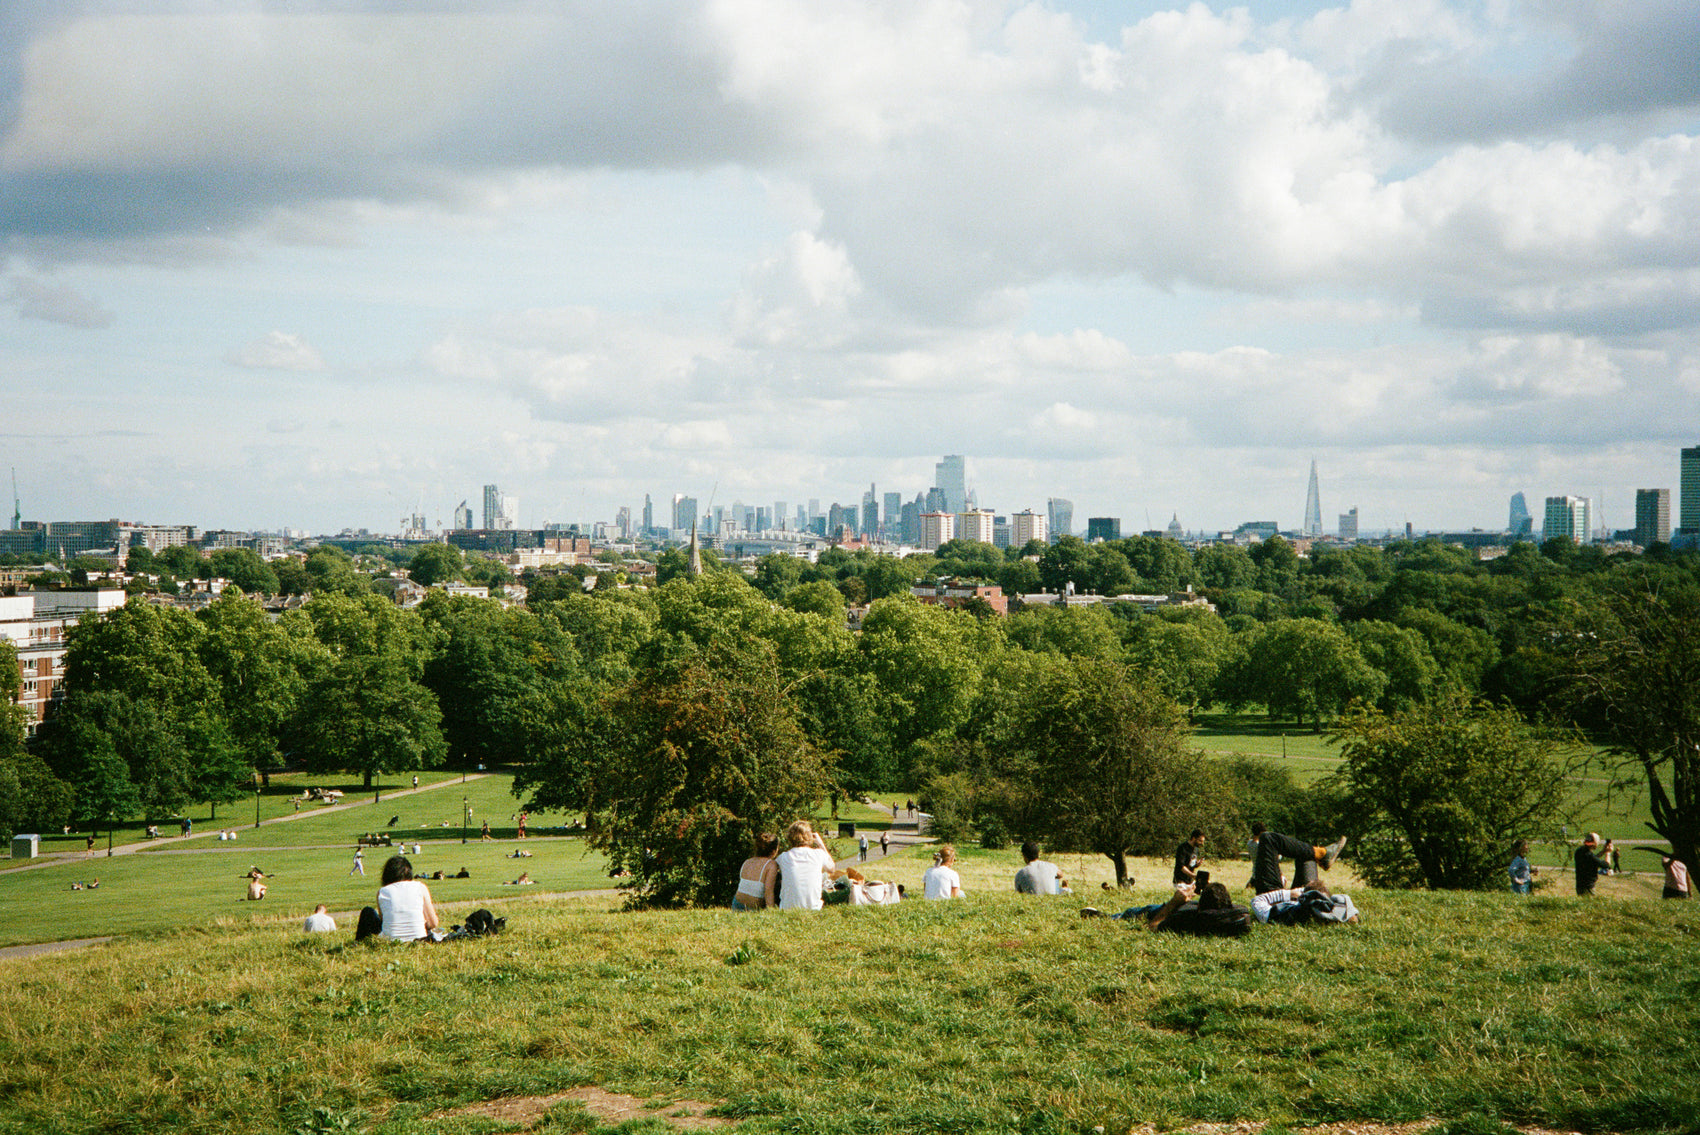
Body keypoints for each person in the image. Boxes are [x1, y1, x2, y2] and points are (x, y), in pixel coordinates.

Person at [357, 855, 439, 941]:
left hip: (391, 940)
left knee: (367, 912)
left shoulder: (382, 892)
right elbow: (433, 923)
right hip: (420, 938)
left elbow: (383, 920)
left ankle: (359, 943)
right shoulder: (420, 887)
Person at [1250, 822, 1346, 893]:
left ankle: (1321, 854)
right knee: (1268, 838)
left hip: (1275, 899)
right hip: (1294, 900)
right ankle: (1321, 854)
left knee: (1269, 839)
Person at [776, 820, 842, 910]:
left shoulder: (783, 857)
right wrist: (820, 843)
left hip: (787, 907)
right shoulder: (818, 854)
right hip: (813, 907)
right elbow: (832, 868)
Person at [1251, 880, 1360, 925]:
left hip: (1293, 899)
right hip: (1309, 898)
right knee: (1306, 858)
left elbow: (1256, 900)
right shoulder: (1339, 909)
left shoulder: (1276, 914)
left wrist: (1289, 894)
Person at [732, 832, 780, 911]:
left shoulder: (748, 861)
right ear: (774, 851)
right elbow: (768, 891)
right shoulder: (771, 865)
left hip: (736, 904)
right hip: (753, 908)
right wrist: (771, 912)